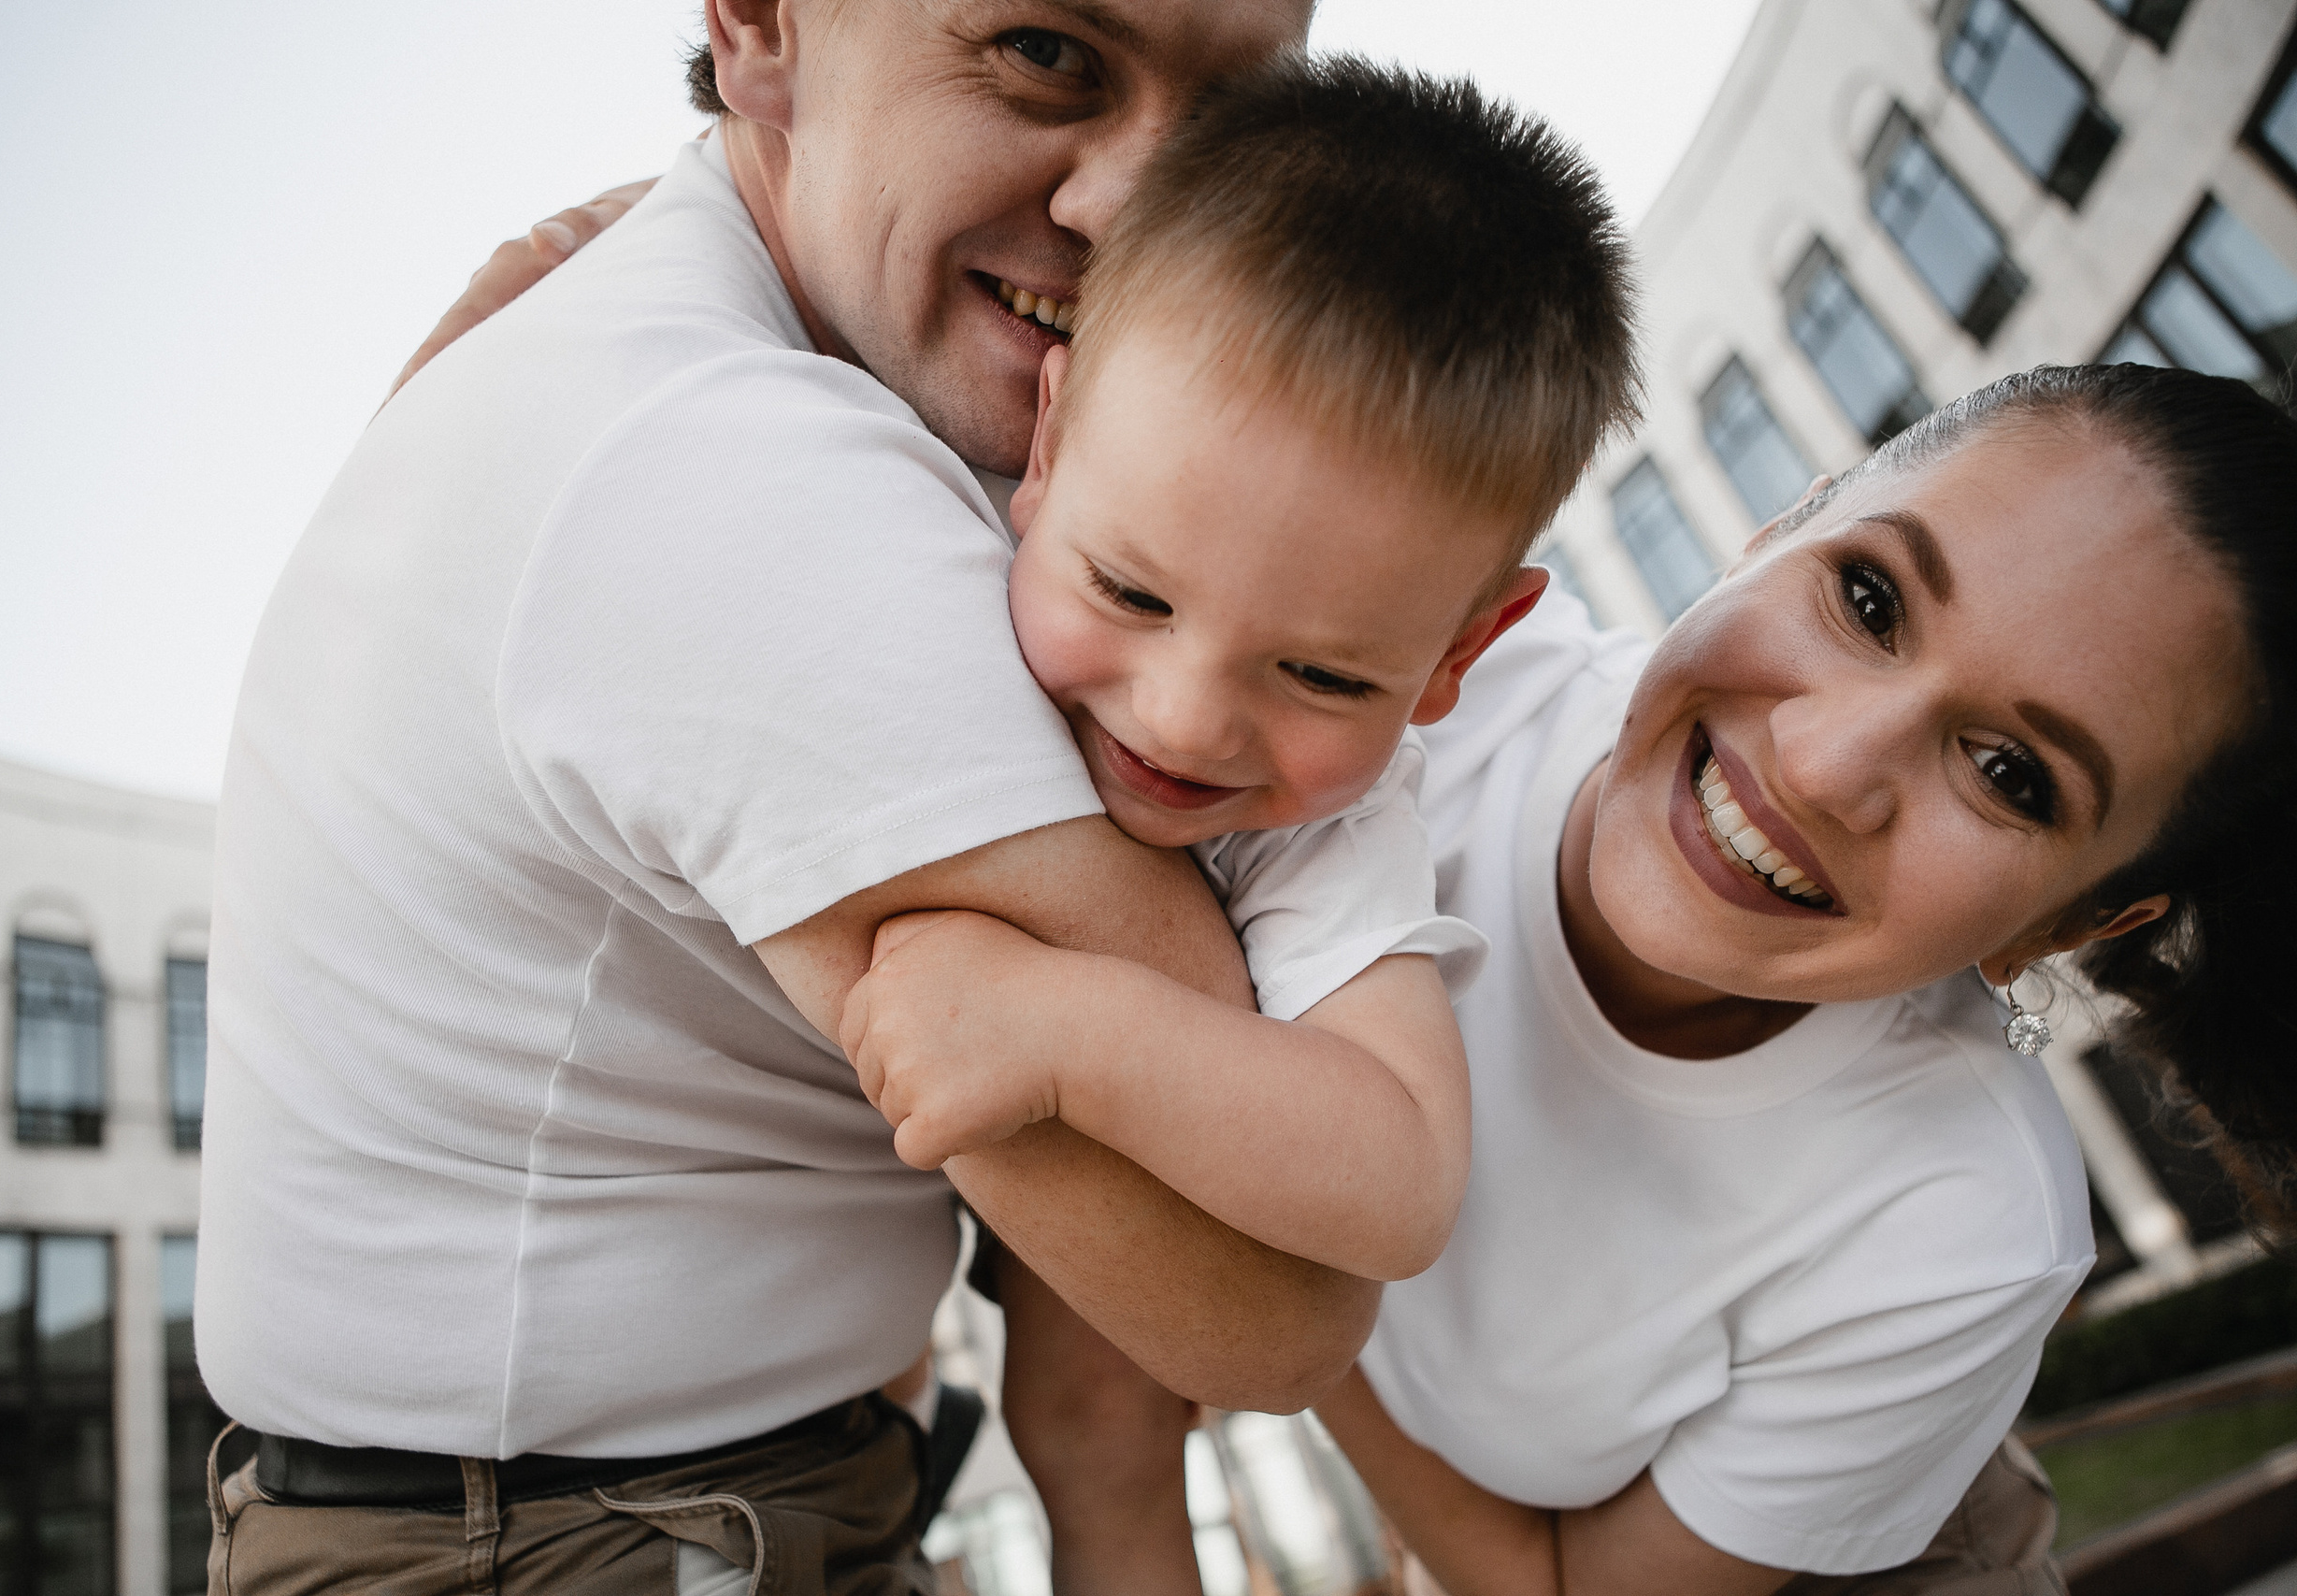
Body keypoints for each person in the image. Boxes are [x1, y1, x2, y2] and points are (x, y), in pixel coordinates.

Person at [196, 3, 1374, 1592]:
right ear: (757, 26)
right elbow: (1270, 1300)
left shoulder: (671, 342)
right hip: (578, 1544)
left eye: (1236, 117)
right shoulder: (727, 462)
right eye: (1045, 51)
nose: (1142, 202)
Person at [857, 364, 2296, 1593]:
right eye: (1866, 597)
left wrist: (1275, 1290)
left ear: (2070, 923)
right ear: (1780, 524)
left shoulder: (1963, 1222)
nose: (1826, 764)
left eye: (2008, 776)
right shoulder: (1387, 680)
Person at [843, 60, 1641, 1287]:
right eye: (1133, 594)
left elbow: (1406, 1179)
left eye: (1321, 675)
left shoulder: (1322, 833)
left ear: (1458, 655)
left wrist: (1066, 1037)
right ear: (1046, 448)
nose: (1184, 721)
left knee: (1094, 1412)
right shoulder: (908, 501)